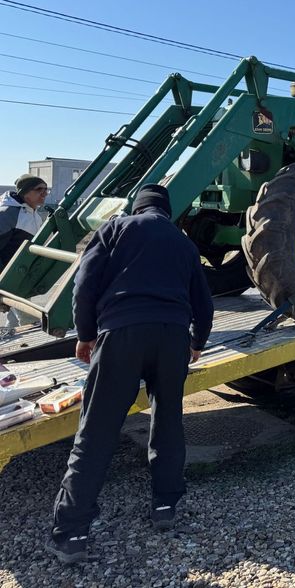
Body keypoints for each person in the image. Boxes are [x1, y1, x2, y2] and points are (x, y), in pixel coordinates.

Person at [48, 184, 214, 564]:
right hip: (172, 336)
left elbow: (84, 284)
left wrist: (86, 334)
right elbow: (203, 302)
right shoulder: (183, 242)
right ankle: (165, 506)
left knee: (97, 429)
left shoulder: (115, 228)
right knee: (168, 419)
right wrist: (198, 342)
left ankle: (71, 531)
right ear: (167, 211)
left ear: (135, 205)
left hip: (121, 333)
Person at [0, 175, 49, 330]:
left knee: (15, 316)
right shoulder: (8, 214)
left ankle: (13, 334)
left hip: (20, 272)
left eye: (46, 190)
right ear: (25, 192)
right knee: (29, 317)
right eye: (39, 189)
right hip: (9, 274)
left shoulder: (33, 212)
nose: (45, 193)